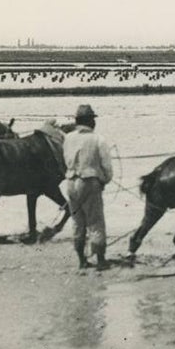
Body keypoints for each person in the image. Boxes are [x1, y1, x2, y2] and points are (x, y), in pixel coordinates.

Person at [63, 104, 114, 270]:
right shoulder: (98, 139)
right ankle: (100, 261)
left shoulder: (68, 138)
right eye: (93, 119)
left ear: (77, 121)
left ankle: (82, 261)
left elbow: (66, 160)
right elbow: (106, 166)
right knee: (95, 221)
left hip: (70, 182)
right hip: (89, 182)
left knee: (78, 222)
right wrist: (104, 180)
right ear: (90, 121)